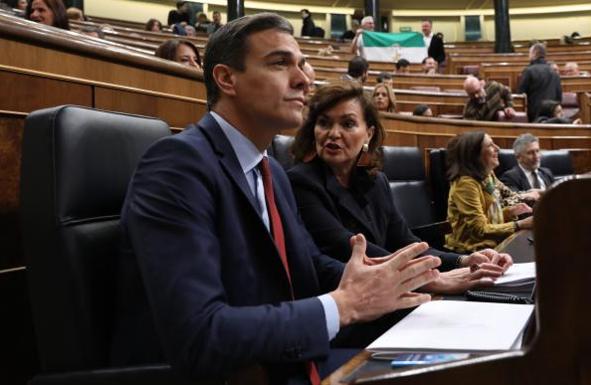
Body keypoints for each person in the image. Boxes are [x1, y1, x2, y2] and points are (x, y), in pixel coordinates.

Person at [112, 13, 443, 384]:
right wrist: (344, 305)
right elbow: (200, 334)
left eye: (302, 65)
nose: (304, 79)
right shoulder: (177, 165)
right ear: (226, 79)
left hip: (288, 359)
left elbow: (310, 265)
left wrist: (398, 279)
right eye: (280, 63)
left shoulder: (272, 173)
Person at [288, 82, 513, 295]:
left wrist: (464, 260)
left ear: (369, 133)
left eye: (347, 124)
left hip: (393, 292)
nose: (333, 133)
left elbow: (405, 242)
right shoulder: (301, 182)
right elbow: (350, 250)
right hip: (348, 305)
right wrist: (430, 278)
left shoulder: (377, 182)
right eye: (324, 123)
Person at [445, 132, 535, 253]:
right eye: (490, 145)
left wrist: (510, 212)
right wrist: (520, 224)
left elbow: (509, 197)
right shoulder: (465, 184)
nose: (497, 148)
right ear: (475, 154)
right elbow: (479, 230)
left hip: (495, 244)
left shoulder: (488, 175)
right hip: (472, 251)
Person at [518, 43, 562, 122]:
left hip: (535, 113)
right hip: (552, 111)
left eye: (529, 53)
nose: (529, 56)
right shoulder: (554, 71)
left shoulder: (528, 71)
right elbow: (559, 94)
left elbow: (521, 93)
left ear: (534, 54)